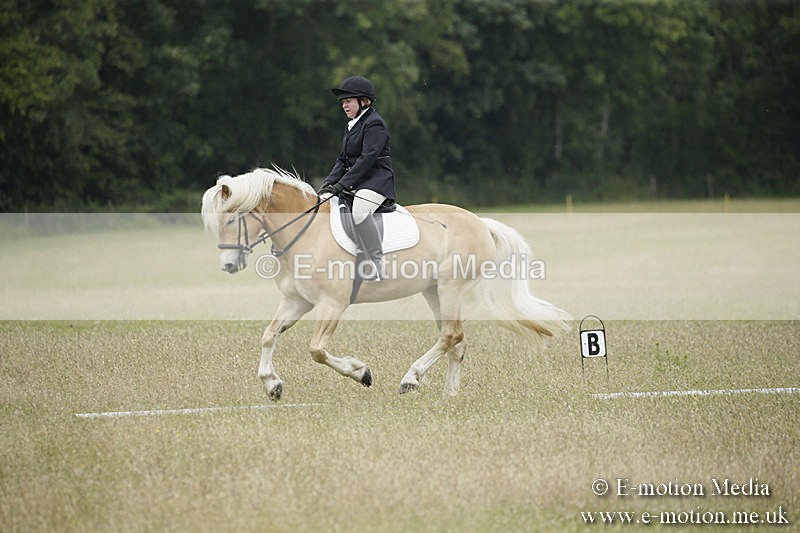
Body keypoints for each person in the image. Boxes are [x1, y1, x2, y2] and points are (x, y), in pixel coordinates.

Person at [318, 75, 396, 281]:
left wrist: (343, 183)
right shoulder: (352, 124)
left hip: (376, 183)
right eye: (342, 102)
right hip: (357, 183)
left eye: (348, 101)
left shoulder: (374, 124)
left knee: (360, 212)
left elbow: (367, 159)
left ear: (364, 101)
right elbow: (343, 159)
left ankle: (376, 261)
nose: (344, 105)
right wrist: (329, 183)